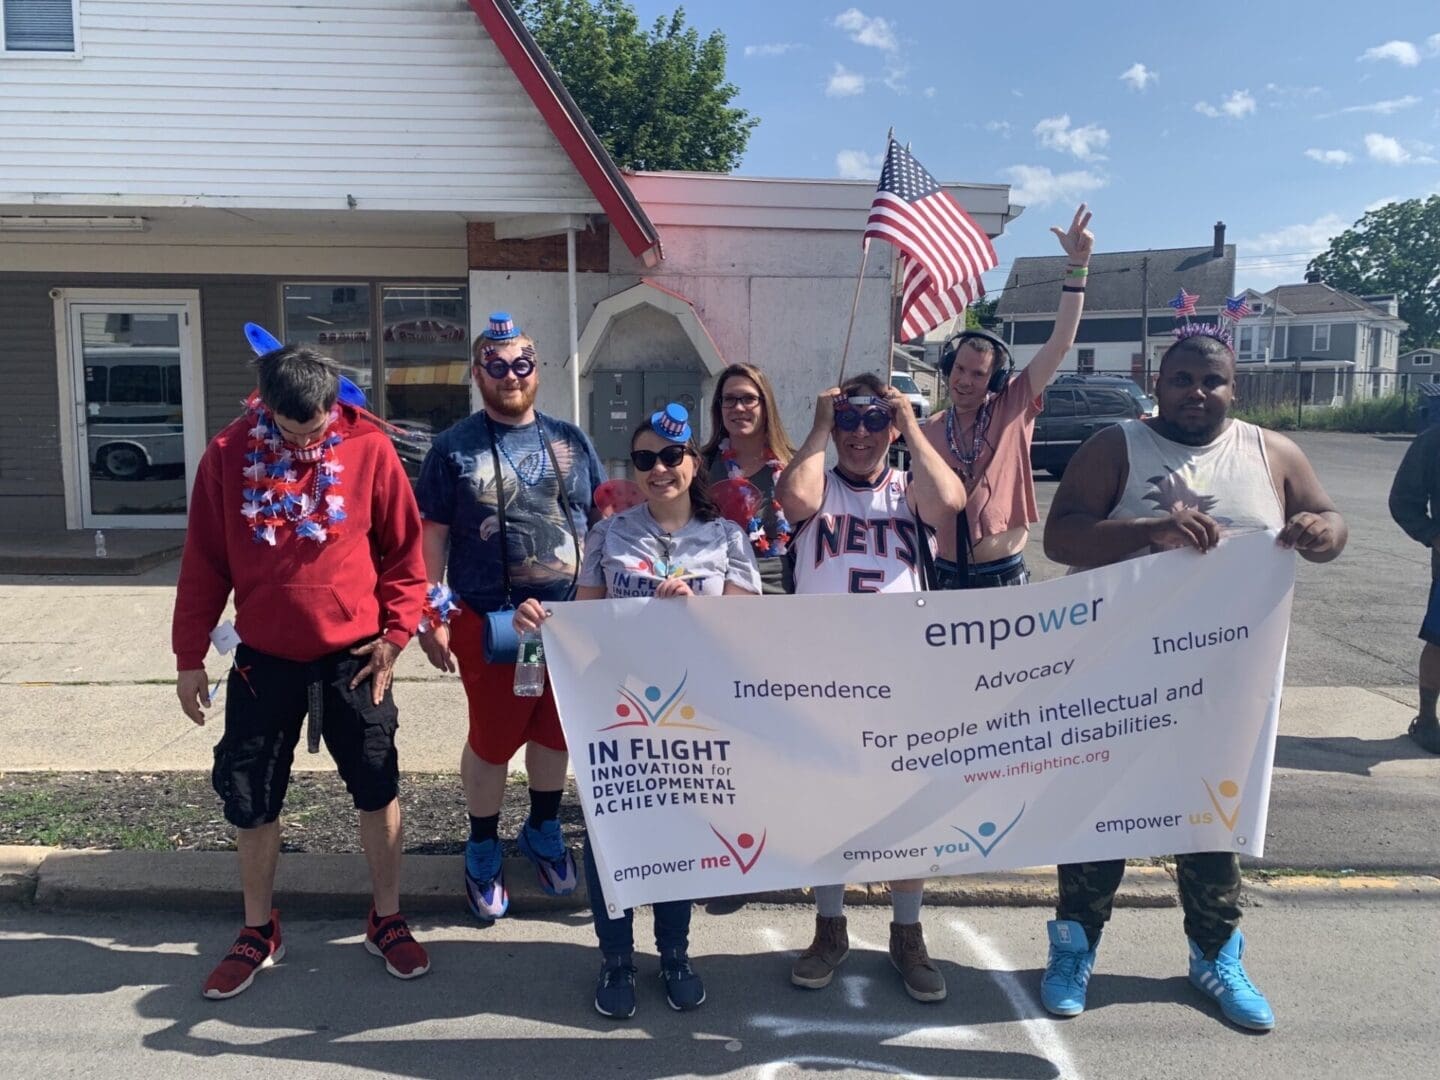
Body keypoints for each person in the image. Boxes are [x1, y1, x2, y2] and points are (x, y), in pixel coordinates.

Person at [1038, 323, 1347, 1031]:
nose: (1196, 392)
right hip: (1115, 678)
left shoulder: (1271, 452)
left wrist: (1322, 533)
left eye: (1211, 380)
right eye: (1181, 379)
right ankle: (1074, 949)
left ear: (1233, 388)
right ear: (1158, 384)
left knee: (1210, 824)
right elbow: (1062, 536)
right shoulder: (1117, 445)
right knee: (1096, 821)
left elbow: (1329, 519)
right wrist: (1151, 532)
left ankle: (1215, 955)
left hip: (1222, 687)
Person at [172, 343, 430, 1000]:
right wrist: (188, 658)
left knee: (377, 786)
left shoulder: (369, 446)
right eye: (288, 431)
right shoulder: (230, 452)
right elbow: (203, 562)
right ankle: (259, 929)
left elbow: (405, 555)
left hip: (354, 655)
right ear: (267, 408)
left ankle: (386, 917)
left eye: (313, 429)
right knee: (251, 796)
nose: (301, 442)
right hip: (264, 659)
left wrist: (396, 638)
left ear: (333, 405)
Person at [514, 403, 760, 1018]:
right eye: (645, 459)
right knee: (611, 834)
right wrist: (541, 624)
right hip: (615, 707)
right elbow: (585, 622)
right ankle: (616, 957)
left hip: (692, 713)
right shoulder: (608, 534)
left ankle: (673, 952)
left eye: (670, 457)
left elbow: (749, 634)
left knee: (674, 831)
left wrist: (695, 614)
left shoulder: (727, 538)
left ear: (693, 462)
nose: (657, 470)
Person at [775, 371, 968, 1002]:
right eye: (849, 422)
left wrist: (910, 423)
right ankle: (830, 928)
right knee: (831, 806)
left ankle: (906, 933)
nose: (860, 435)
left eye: (873, 421)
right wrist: (820, 427)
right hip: (824, 679)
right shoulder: (820, 483)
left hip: (901, 676)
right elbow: (793, 498)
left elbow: (953, 502)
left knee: (905, 812)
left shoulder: (910, 491)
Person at [413, 313, 605, 920]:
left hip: (570, 622)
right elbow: (433, 537)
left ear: (536, 370)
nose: (510, 376)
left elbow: (599, 525)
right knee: (493, 741)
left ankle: (543, 829)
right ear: (477, 374)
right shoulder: (452, 448)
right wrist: (432, 613)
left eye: (521, 365)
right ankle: (481, 843)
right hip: (491, 623)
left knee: (555, 733)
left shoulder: (571, 439)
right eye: (495, 367)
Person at [918, 203, 1095, 589]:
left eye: (978, 374)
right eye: (960, 369)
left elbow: (1061, 343)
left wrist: (1078, 267)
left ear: (994, 378)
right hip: (943, 576)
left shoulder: (1013, 406)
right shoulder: (930, 429)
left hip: (1001, 576)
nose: (964, 381)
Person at [700, 362, 799, 593]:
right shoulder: (700, 466)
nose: (738, 407)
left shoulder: (793, 465)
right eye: (729, 399)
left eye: (748, 399)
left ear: (765, 405)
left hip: (784, 599)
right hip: (722, 597)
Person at [1387, 424, 1440, 753]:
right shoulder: (1433, 441)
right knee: (1439, 642)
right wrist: (1433, 535)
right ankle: (1427, 719)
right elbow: (1403, 500)